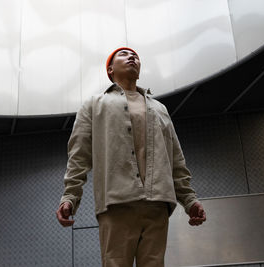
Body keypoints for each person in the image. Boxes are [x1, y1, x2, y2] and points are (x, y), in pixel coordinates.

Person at [56, 47, 206, 267]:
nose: (132, 56)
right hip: (116, 202)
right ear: (110, 69)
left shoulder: (159, 108)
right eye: (124, 54)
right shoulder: (94, 105)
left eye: (135, 55)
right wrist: (70, 197)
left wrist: (190, 200)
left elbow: (176, 159)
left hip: (158, 204)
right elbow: (79, 155)